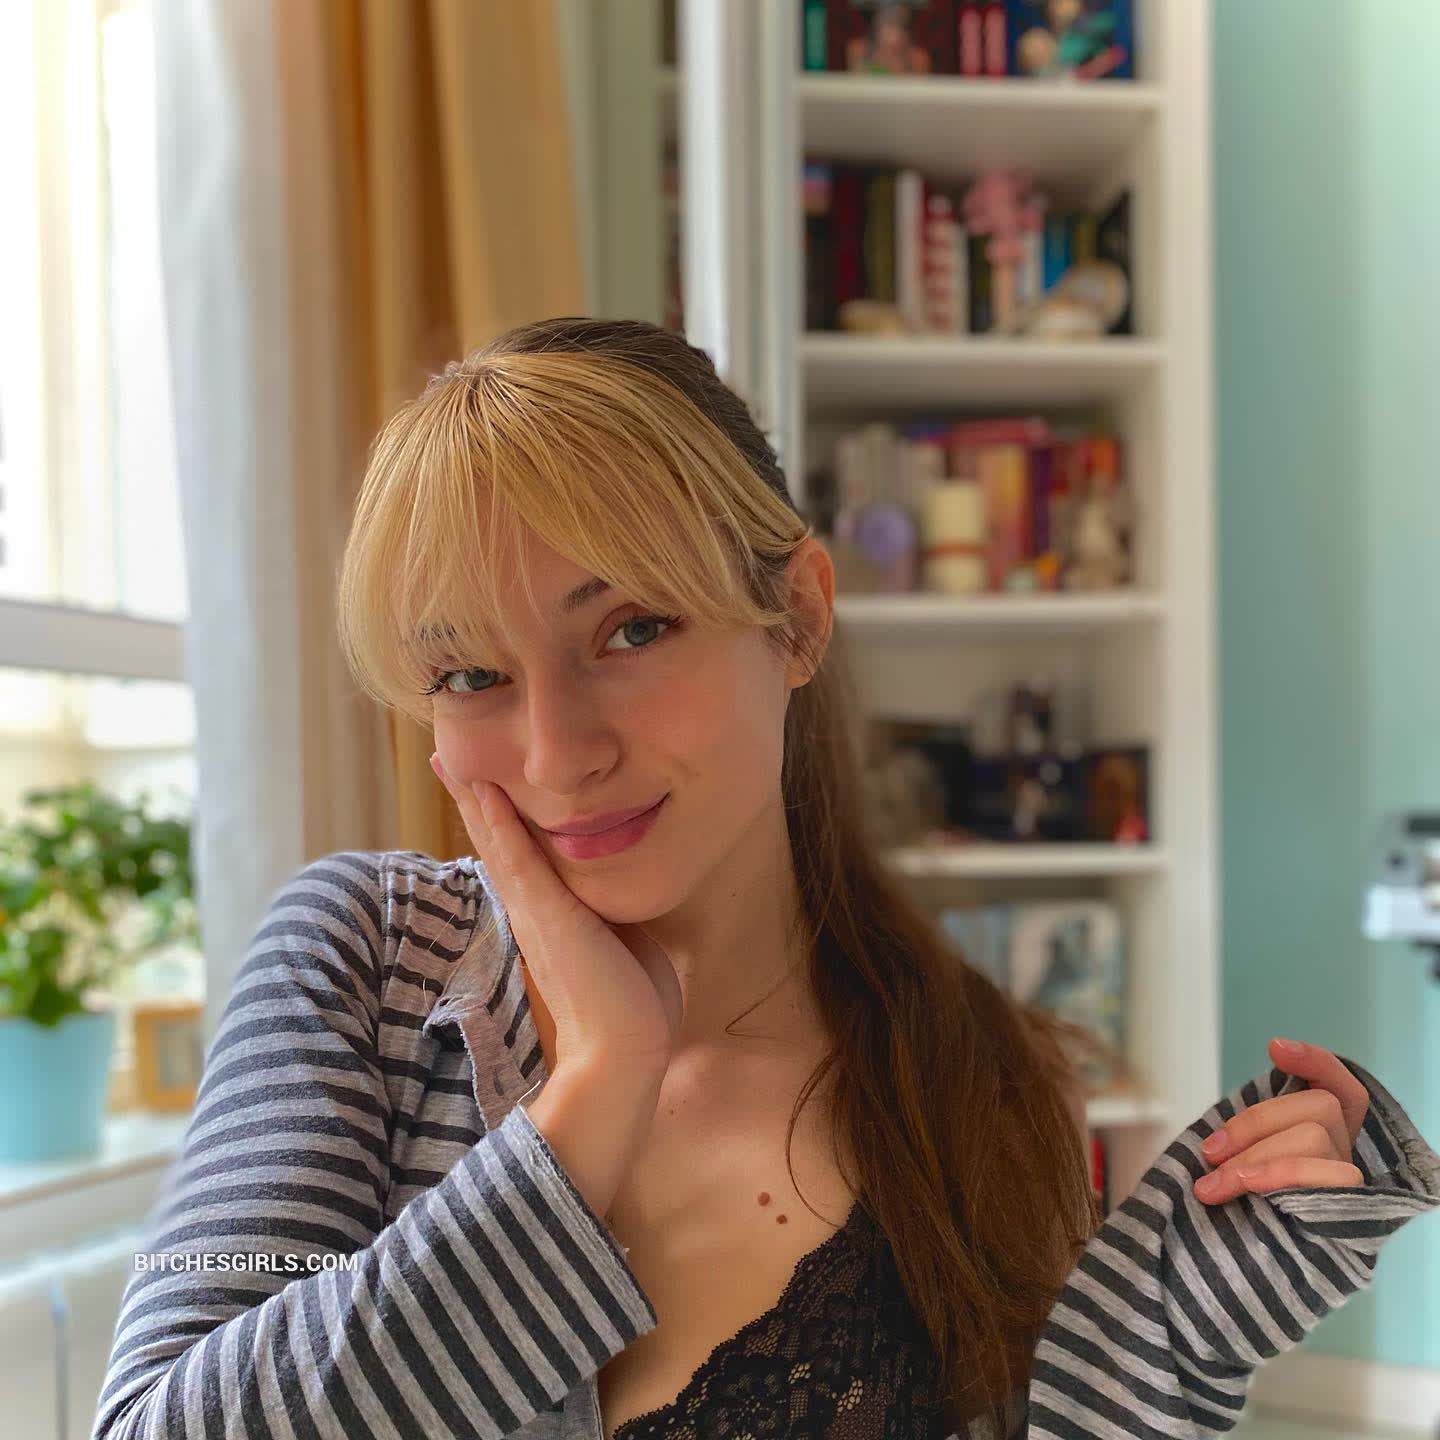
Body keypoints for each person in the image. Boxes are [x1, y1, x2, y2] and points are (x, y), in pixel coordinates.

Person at [92, 317, 1440, 1440]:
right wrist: (594, 1091)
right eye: (471, 673)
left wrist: (1177, 1326)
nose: (558, 754)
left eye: (631, 629)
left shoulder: (979, 1084)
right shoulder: (361, 965)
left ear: (796, 617)